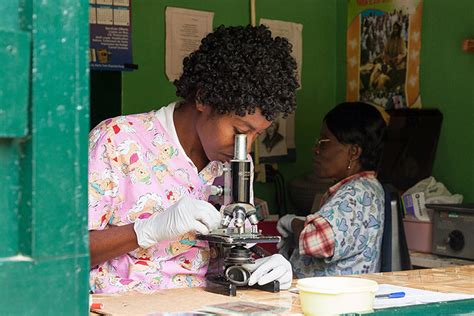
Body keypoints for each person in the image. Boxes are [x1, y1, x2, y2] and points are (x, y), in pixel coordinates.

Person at [88, 25, 298, 293]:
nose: (245, 146)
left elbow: (231, 255)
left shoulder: (236, 163)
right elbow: (64, 254)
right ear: (203, 99)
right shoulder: (117, 140)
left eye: (258, 134)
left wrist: (259, 268)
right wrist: (145, 231)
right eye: (240, 131)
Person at [277, 102, 386, 277]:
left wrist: (291, 222)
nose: (316, 149)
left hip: (334, 301)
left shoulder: (357, 194)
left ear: (353, 152)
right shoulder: (362, 188)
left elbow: (314, 240)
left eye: (324, 142)